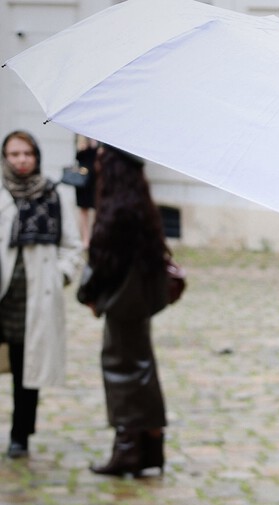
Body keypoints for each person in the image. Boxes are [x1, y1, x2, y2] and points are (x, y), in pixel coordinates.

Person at [76, 145, 171, 476]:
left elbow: (103, 261)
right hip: (138, 300)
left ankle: (130, 449)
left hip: (121, 300)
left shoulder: (116, 209)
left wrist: (87, 294)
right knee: (141, 368)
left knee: (122, 369)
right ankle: (151, 448)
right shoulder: (139, 205)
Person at [1, 130, 83, 458]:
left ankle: (21, 434)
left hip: (35, 296)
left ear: (36, 156)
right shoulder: (2, 194)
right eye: (14, 154)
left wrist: (60, 275)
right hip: (2, 292)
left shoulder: (54, 194)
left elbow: (72, 246)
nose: (21, 160)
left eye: (27, 153)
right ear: (5, 158)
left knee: (27, 367)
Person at [73, 135, 98, 248]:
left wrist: (94, 144)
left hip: (95, 181)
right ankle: (86, 239)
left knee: (97, 210)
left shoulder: (98, 139)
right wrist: (82, 146)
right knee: (83, 211)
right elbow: (78, 157)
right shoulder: (80, 137)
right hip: (82, 182)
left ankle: (95, 237)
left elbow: (97, 157)